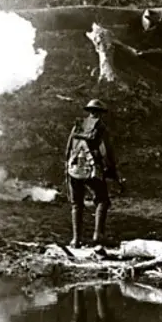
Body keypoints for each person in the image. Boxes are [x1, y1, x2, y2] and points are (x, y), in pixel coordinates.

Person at [65, 99, 119, 248]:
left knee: (76, 204)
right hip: (91, 168)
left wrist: (67, 166)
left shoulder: (77, 125)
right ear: (100, 113)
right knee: (103, 200)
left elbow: (68, 147)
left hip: (74, 167)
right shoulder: (100, 127)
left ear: (89, 111)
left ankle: (76, 240)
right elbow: (107, 151)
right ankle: (98, 235)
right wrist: (112, 171)